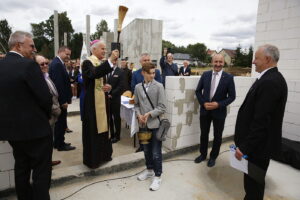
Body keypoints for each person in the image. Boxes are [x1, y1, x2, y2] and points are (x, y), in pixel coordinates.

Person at [0, 31, 53, 200]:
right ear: (18, 45)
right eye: (31, 46)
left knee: (21, 168)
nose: (34, 50)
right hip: (36, 130)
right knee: (41, 172)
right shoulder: (28, 65)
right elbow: (45, 98)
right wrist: (44, 118)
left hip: (12, 132)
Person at [234, 44, 287, 200]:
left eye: (256, 58)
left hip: (258, 148)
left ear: (267, 59)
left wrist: (245, 147)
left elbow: (261, 122)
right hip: (258, 146)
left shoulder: (270, 82)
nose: (253, 62)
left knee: (254, 185)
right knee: (253, 184)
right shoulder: (269, 78)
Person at [81, 40, 119, 169]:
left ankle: (104, 156)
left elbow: (100, 80)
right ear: (93, 50)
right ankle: (93, 160)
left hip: (102, 102)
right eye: (102, 48)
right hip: (92, 104)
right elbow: (93, 74)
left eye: (105, 48)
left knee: (103, 129)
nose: (104, 51)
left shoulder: (100, 63)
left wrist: (107, 86)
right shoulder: (87, 63)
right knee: (93, 131)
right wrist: (110, 61)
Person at [195, 54, 236, 167]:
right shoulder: (205, 75)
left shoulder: (229, 78)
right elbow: (198, 91)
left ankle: (213, 157)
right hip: (205, 111)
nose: (218, 64)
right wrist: (204, 103)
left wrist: (218, 104)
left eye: (220, 62)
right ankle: (203, 154)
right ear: (212, 62)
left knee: (217, 136)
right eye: (216, 61)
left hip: (219, 112)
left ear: (224, 63)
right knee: (204, 134)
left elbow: (232, 97)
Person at [134, 62, 166, 191]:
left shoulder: (159, 86)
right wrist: (139, 115)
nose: (152, 75)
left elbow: (162, 107)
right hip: (143, 125)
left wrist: (149, 114)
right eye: (150, 73)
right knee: (146, 150)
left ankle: (158, 176)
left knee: (156, 152)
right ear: (143, 73)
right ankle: (149, 170)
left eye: (154, 73)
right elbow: (136, 104)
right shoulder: (137, 87)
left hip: (156, 124)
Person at [131, 53, 162, 152]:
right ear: (140, 62)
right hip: (141, 107)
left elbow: (160, 88)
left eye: (148, 60)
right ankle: (142, 146)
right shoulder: (136, 74)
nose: (147, 62)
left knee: (155, 146)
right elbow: (133, 87)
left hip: (154, 110)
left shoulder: (156, 72)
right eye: (145, 60)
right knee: (143, 132)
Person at [35, 54, 62, 167]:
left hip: (52, 116)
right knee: (45, 143)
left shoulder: (46, 76)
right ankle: (45, 164)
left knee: (50, 141)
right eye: (42, 64)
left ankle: (48, 161)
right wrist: (56, 110)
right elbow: (44, 99)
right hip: (47, 116)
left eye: (46, 63)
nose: (45, 65)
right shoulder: (38, 79)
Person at [49, 46, 75, 151]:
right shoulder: (57, 64)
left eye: (69, 55)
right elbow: (58, 84)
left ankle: (58, 142)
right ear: (60, 52)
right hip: (60, 100)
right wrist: (63, 101)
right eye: (67, 54)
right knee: (61, 122)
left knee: (61, 122)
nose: (68, 57)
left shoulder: (58, 63)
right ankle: (60, 144)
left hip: (61, 99)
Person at [107, 57, 125, 143]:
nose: (113, 62)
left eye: (115, 60)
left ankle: (117, 136)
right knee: (109, 118)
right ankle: (112, 134)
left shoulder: (120, 71)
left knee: (116, 118)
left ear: (117, 61)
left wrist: (111, 94)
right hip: (107, 99)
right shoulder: (106, 70)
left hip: (115, 98)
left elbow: (121, 86)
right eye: (112, 60)